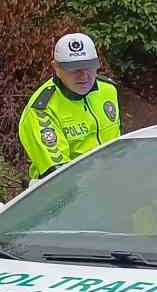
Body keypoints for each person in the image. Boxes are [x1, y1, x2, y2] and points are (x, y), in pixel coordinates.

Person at [18, 33, 122, 182]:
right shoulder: (41, 111)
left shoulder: (108, 89)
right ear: (56, 68)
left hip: (113, 179)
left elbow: (119, 144)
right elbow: (59, 176)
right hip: (66, 193)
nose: (84, 76)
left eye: (89, 66)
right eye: (74, 69)